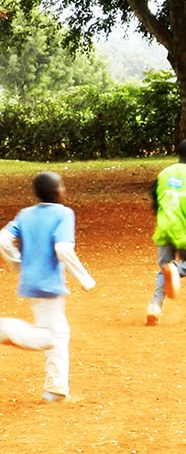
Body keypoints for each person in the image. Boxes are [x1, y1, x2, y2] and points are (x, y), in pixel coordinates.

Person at [0, 171, 96, 402]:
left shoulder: (26, 214)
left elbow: (2, 238)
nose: (64, 189)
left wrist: (17, 263)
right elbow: (63, 248)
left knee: (57, 332)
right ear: (56, 192)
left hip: (30, 282)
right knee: (53, 336)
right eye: (61, 186)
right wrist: (84, 278)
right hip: (49, 284)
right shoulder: (63, 214)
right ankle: (4, 329)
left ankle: (55, 390)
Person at [146, 139, 186, 326]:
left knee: (165, 269)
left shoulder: (165, 173)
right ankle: (176, 268)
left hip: (164, 226)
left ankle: (154, 307)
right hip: (185, 228)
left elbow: (155, 199)